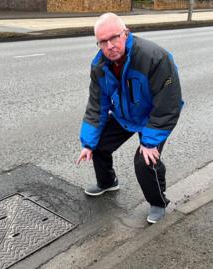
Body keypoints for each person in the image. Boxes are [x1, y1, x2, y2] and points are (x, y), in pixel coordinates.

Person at [76, 13, 183, 224]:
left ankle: (158, 203)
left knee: (145, 161)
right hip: (125, 114)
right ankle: (107, 182)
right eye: (103, 42)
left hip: (152, 117)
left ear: (126, 33)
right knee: (98, 145)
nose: (110, 46)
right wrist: (88, 143)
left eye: (114, 38)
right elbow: (97, 105)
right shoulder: (100, 66)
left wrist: (150, 142)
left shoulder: (155, 58)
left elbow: (168, 104)